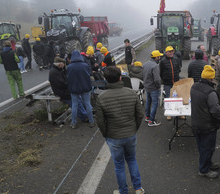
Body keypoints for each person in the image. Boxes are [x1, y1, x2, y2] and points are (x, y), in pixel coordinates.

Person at [95, 66, 145, 194]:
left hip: (113, 136)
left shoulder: (101, 97)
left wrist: (106, 134)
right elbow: (140, 114)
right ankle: (138, 188)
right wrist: (134, 128)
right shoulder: (131, 93)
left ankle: (123, 191)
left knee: (119, 165)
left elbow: (100, 121)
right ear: (120, 78)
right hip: (130, 133)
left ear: (106, 80)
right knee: (132, 159)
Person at [191, 65, 220, 179]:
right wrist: (219, 119)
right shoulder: (211, 93)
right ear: (211, 79)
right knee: (208, 148)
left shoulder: (194, 86)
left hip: (195, 123)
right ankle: (204, 170)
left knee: (201, 146)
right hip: (207, 125)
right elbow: (215, 110)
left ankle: (207, 163)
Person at [48, 57, 88, 121]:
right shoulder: (55, 72)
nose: (64, 65)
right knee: (76, 101)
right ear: (60, 64)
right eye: (63, 64)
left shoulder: (58, 69)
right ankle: (84, 116)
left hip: (64, 90)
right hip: (62, 92)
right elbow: (62, 84)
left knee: (79, 99)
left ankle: (84, 114)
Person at [66, 50, 95, 129]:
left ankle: (74, 122)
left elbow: (68, 78)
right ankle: (91, 121)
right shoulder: (85, 65)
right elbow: (88, 76)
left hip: (74, 89)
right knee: (88, 104)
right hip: (85, 88)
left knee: (75, 106)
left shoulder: (69, 67)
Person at [143, 50, 163, 127]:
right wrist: (158, 86)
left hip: (147, 87)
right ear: (156, 57)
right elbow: (157, 79)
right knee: (155, 103)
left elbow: (143, 75)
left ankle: (147, 117)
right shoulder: (155, 66)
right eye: (159, 56)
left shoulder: (145, 64)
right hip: (153, 88)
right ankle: (151, 121)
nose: (160, 58)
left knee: (148, 102)